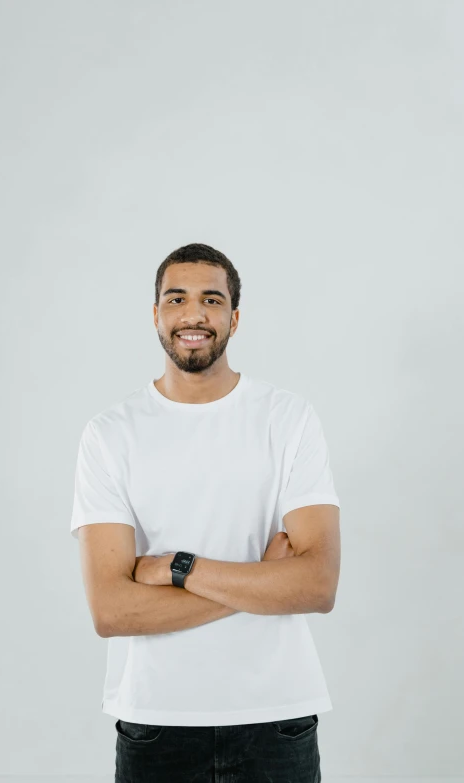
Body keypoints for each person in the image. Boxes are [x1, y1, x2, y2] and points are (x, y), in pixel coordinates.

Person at [70, 242, 341, 782]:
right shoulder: (110, 434)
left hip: (277, 717)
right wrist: (262, 581)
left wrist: (179, 568)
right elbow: (112, 611)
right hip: (155, 721)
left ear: (234, 318)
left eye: (212, 300)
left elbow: (317, 585)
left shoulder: (288, 419)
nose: (194, 314)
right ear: (156, 314)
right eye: (177, 298)